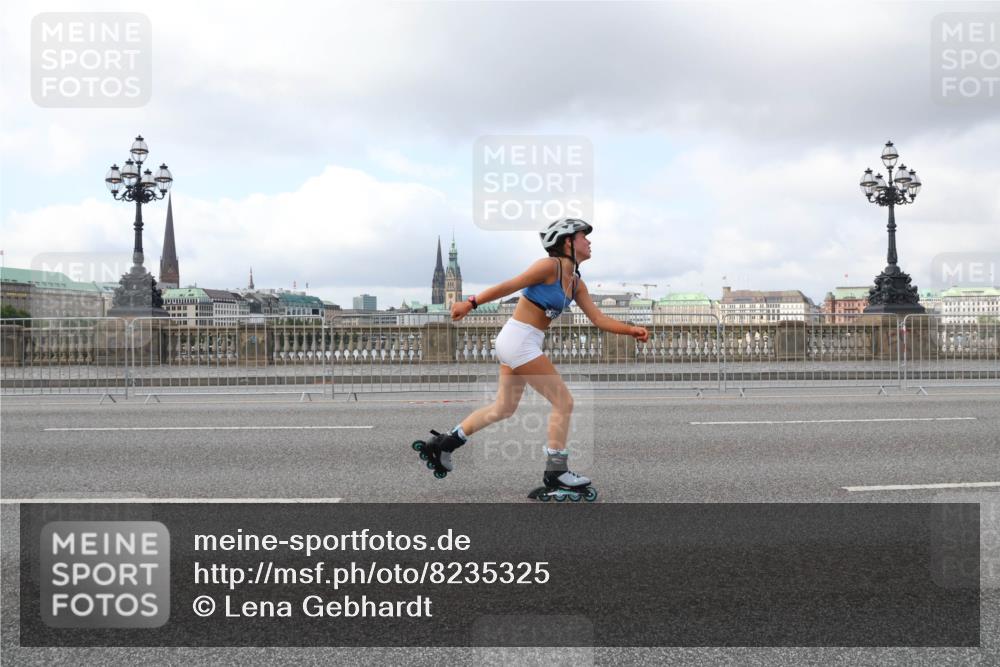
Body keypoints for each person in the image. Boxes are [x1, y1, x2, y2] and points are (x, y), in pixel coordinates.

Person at [411, 218, 649, 501]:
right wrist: (470, 304)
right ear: (568, 242)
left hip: (523, 340)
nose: (589, 242)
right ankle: (556, 472)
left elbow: (598, 319)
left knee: (504, 407)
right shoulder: (549, 266)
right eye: (584, 237)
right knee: (564, 401)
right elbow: (510, 285)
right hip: (519, 339)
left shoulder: (576, 283)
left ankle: (445, 443)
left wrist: (630, 329)